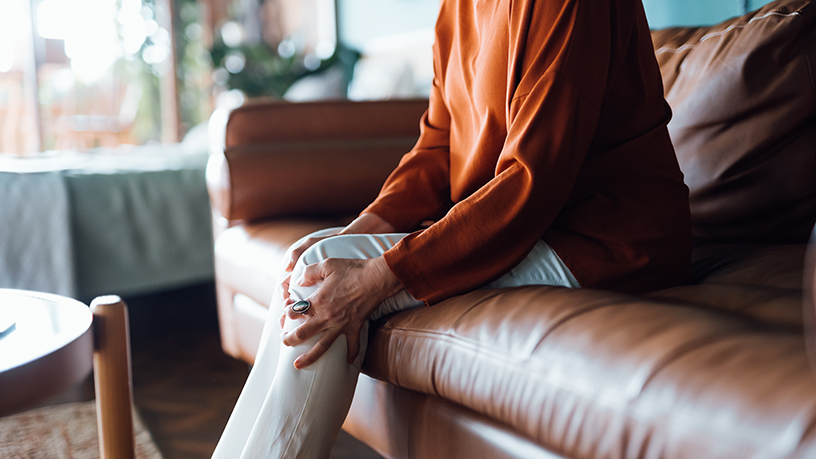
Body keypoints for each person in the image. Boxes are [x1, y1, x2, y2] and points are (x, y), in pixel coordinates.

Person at [212, 0, 692, 456]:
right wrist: (350, 233)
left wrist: (374, 278)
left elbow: (531, 181)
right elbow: (436, 148)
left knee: (322, 271)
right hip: (523, 226)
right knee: (313, 253)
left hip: (600, 239)